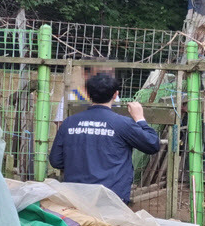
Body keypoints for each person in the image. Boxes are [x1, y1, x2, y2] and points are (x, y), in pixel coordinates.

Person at [49, 73, 160, 204]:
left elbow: (56, 161)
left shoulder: (69, 122)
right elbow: (152, 144)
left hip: (76, 196)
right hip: (111, 198)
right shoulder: (122, 123)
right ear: (115, 94)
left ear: (88, 94)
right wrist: (140, 119)